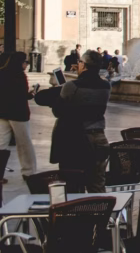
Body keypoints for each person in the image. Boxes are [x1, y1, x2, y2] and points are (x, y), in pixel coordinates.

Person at [35, 50, 111, 192]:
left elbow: (58, 111)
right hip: (99, 138)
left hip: (75, 139)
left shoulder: (72, 86)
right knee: (97, 182)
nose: (78, 64)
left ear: (84, 64)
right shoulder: (106, 86)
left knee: (74, 184)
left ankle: (78, 212)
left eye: (80, 62)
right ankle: (99, 211)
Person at [0, 52, 38, 179]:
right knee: (24, 143)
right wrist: (31, 94)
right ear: (19, 63)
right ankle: (29, 171)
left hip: (3, 113)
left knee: (1, 143)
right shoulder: (20, 76)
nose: (27, 65)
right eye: (25, 62)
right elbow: (21, 95)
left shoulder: (2, 73)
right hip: (18, 114)